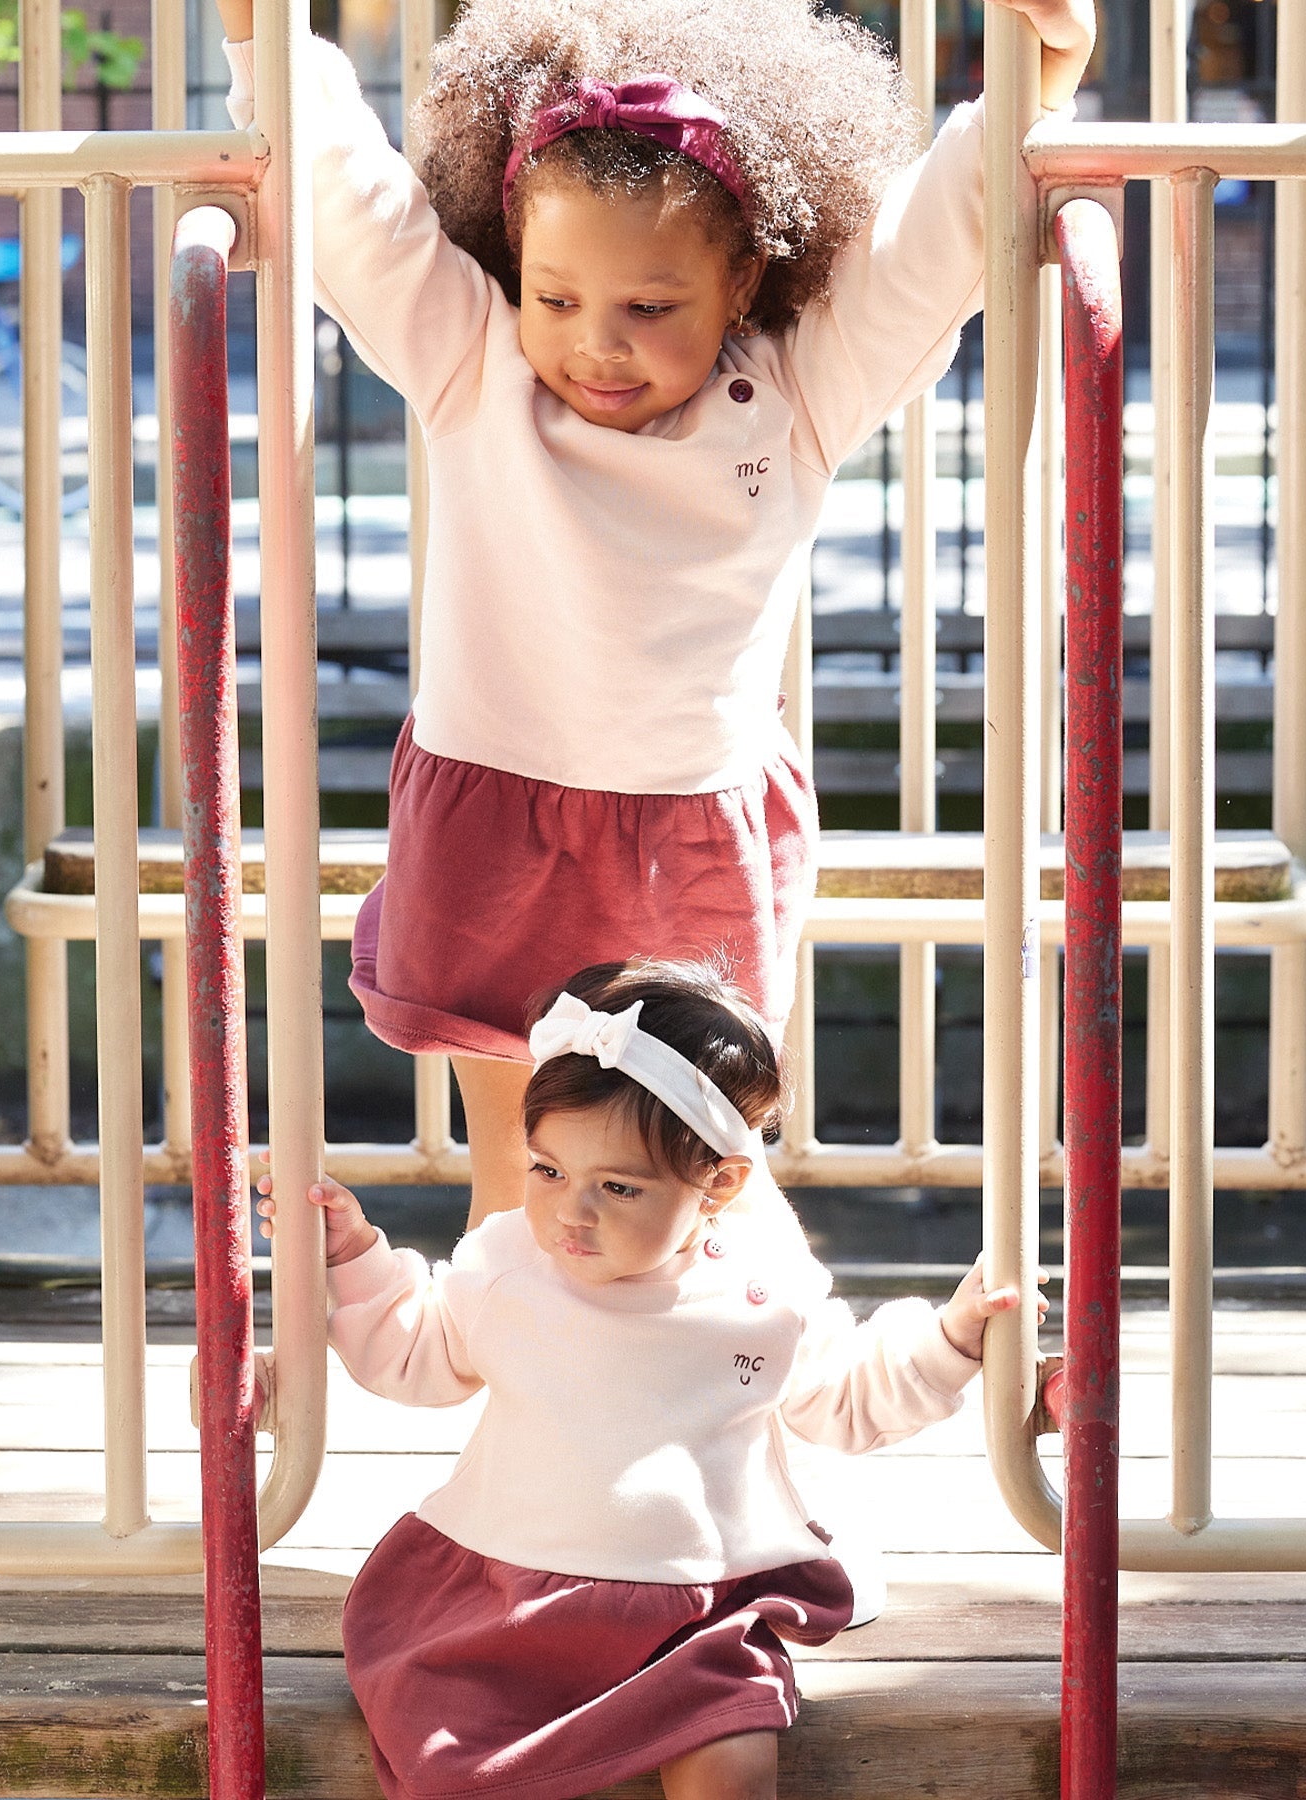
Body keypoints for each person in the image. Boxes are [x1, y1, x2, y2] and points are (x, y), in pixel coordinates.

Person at [214, 0, 1096, 1228]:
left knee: (697, 1183)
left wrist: (1029, 90)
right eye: (557, 296)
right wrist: (268, 42)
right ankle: (521, 1408)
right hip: (495, 823)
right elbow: (355, 209)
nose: (597, 345)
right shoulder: (480, 367)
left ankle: (712, 1407)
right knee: (524, 1185)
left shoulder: (792, 398)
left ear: (742, 281)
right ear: (515, 264)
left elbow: (922, 264)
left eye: (650, 307)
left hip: (695, 837)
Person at [258, 958, 1047, 1800]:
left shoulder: (758, 1293)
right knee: (460, 1753)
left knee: (730, 1750)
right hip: (510, 1594)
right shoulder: (509, 1268)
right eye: (547, 1170)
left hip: (697, 1611)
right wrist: (354, 1254)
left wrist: (953, 1338)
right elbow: (413, 1353)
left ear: (719, 1183)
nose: (572, 1212)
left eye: (618, 1187)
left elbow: (848, 1398)